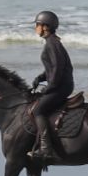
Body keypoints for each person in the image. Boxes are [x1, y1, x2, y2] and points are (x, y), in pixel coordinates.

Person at [28, 9, 73, 161]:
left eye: (37, 24)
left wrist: (50, 87)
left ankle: (46, 149)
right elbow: (52, 68)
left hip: (61, 87)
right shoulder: (52, 42)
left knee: (38, 111)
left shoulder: (52, 44)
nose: (35, 28)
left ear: (45, 27)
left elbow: (58, 68)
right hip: (59, 84)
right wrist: (40, 78)